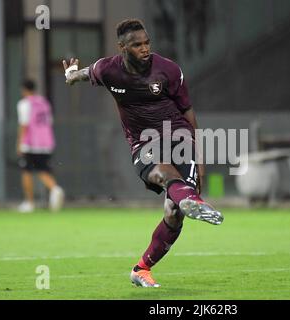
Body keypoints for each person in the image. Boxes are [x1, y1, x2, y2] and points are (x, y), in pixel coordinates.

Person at [63, 19, 223, 287]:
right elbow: (81, 74)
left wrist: (201, 160)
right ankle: (187, 198)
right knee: (163, 174)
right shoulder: (108, 69)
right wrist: (71, 75)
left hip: (180, 139)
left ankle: (142, 269)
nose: (145, 48)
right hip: (143, 143)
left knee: (173, 215)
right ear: (122, 47)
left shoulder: (169, 70)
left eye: (147, 42)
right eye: (137, 45)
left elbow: (189, 114)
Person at [16, 79, 65, 213]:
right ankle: (55, 188)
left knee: (26, 171)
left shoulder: (24, 104)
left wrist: (19, 143)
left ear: (24, 90)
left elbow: (24, 125)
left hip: (31, 144)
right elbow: (48, 122)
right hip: (46, 143)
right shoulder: (44, 103)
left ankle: (29, 203)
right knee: (43, 170)